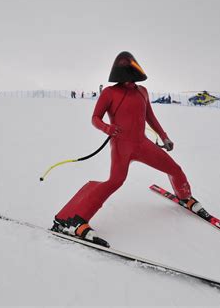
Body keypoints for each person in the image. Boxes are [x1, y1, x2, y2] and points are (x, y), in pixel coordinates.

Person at [51, 51, 206, 247]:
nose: (131, 82)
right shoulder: (109, 93)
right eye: (128, 78)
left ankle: (186, 197)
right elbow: (95, 118)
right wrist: (107, 128)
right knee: (115, 181)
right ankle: (71, 219)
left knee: (175, 169)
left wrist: (164, 137)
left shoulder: (143, 91)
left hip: (142, 144)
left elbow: (150, 117)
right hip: (121, 146)